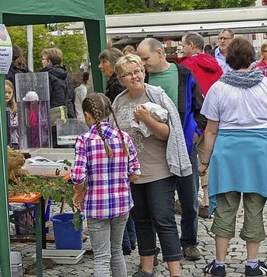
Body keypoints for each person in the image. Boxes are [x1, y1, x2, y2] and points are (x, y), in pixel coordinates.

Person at [199, 37, 267, 277]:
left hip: (228, 152)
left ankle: (219, 264)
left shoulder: (218, 88)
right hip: (259, 152)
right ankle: (252, 263)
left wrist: (205, 161)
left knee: (226, 207)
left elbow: (211, 130)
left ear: (228, 59)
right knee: (254, 207)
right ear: (252, 58)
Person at [112, 54, 191, 277]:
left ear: (143, 72)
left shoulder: (156, 96)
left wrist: (147, 119)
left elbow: (168, 134)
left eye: (136, 71)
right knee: (141, 220)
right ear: (120, 79)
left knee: (163, 218)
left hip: (159, 170)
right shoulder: (119, 101)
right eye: (127, 74)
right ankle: (146, 268)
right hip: (133, 173)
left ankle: (175, 271)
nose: (133, 76)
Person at [137, 37, 206, 261]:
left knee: (189, 199)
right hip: (153, 152)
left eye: (145, 58)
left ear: (159, 53)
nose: (142, 63)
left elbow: (200, 110)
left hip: (185, 147)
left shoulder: (184, 74)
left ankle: (189, 242)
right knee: (155, 204)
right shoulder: (142, 78)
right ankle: (154, 248)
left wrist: (195, 137)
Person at [70, 92, 140, 277]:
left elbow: (77, 176)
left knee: (101, 256)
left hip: (96, 206)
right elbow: (135, 174)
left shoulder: (84, 140)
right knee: (117, 252)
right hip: (121, 205)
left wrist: (79, 192)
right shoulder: (124, 137)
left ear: (87, 115)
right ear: (109, 112)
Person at [178, 32, 224, 219]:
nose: (182, 49)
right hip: (215, 116)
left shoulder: (186, 65)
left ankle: (188, 199)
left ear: (191, 45)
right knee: (208, 157)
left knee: (189, 157)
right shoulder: (216, 65)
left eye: (183, 45)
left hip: (194, 119)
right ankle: (207, 199)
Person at [98, 47, 136, 254]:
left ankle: (125, 241)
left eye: (103, 62)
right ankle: (129, 240)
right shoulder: (113, 85)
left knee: (120, 193)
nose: (100, 66)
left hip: (116, 145)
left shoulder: (115, 89)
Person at [40, 47, 76, 118]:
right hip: (67, 115)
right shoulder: (67, 77)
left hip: (51, 116)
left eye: (43, 59)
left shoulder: (46, 76)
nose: (42, 61)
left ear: (49, 61)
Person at [5, 80, 19, 149]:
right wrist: (16, 120)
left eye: (9, 93)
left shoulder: (14, 107)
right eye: (5, 92)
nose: (7, 95)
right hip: (4, 141)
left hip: (14, 141)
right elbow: (9, 124)